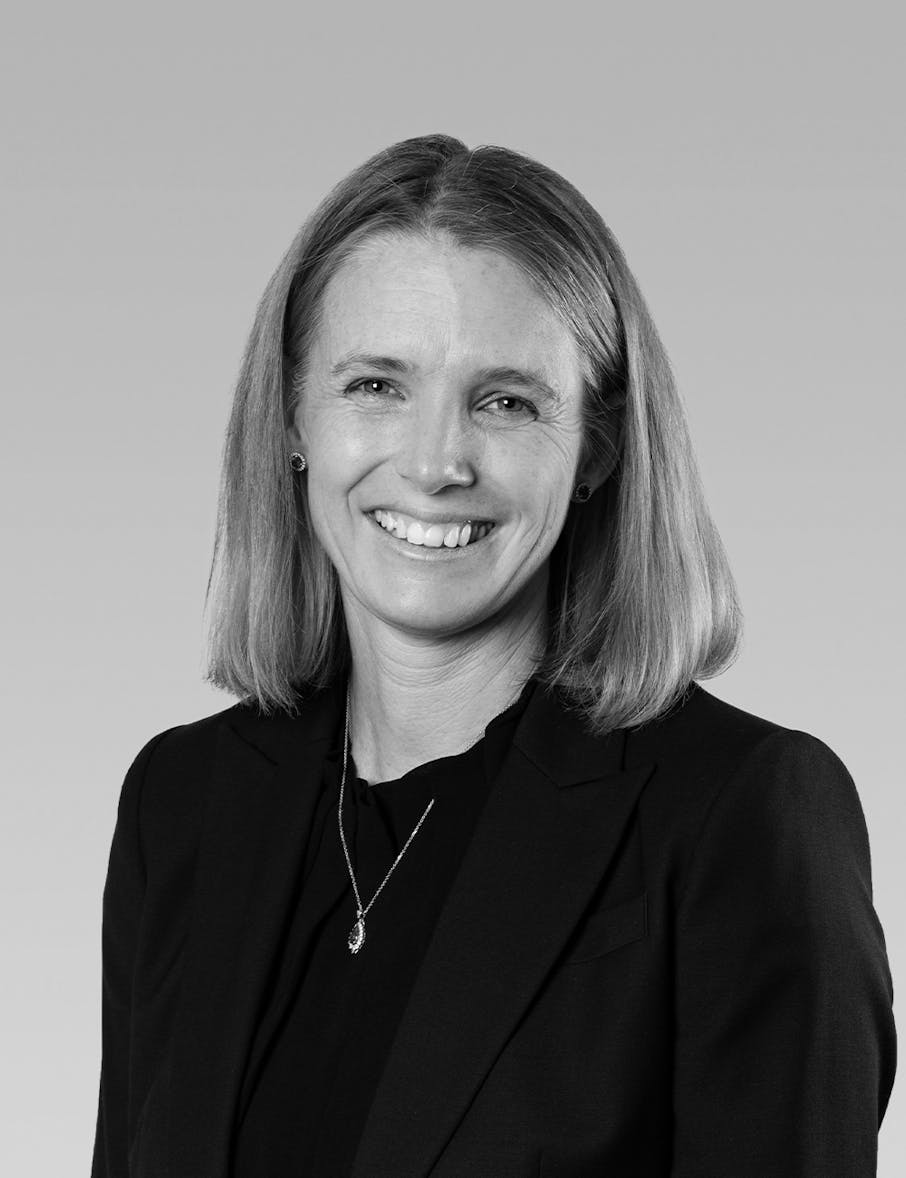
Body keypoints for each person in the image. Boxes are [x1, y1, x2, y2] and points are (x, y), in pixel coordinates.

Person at [91, 134, 896, 1178]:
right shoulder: (181, 804)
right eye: (376, 384)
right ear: (292, 417)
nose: (435, 463)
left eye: (506, 401)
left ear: (599, 445)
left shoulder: (740, 816)